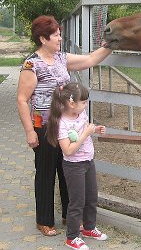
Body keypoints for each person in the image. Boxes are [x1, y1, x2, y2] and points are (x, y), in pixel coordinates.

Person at [17, 15, 112, 236]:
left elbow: (89, 60)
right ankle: (44, 221)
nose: (60, 38)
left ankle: (69, 217)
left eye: (60, 34)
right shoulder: (32, 64)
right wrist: (30, 131)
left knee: (68, 169)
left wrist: (110, 46)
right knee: (46, 173)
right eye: (56, 35)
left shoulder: (61, 58)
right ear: (43, 38)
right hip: (45, 127)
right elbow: (22, 99)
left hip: (67, 125)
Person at [47, 82, 107, 250]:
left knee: (91, 197)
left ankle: (89, 228)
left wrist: (95, 129)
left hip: (88, 161)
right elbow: (68, 150)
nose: (85, 105)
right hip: (74, 166)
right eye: (83, 102)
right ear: (71, 103)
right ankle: (72, 237)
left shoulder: (81, 114)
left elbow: (86, 129)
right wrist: (85, 134)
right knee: (77, 202)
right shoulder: (62, 123)